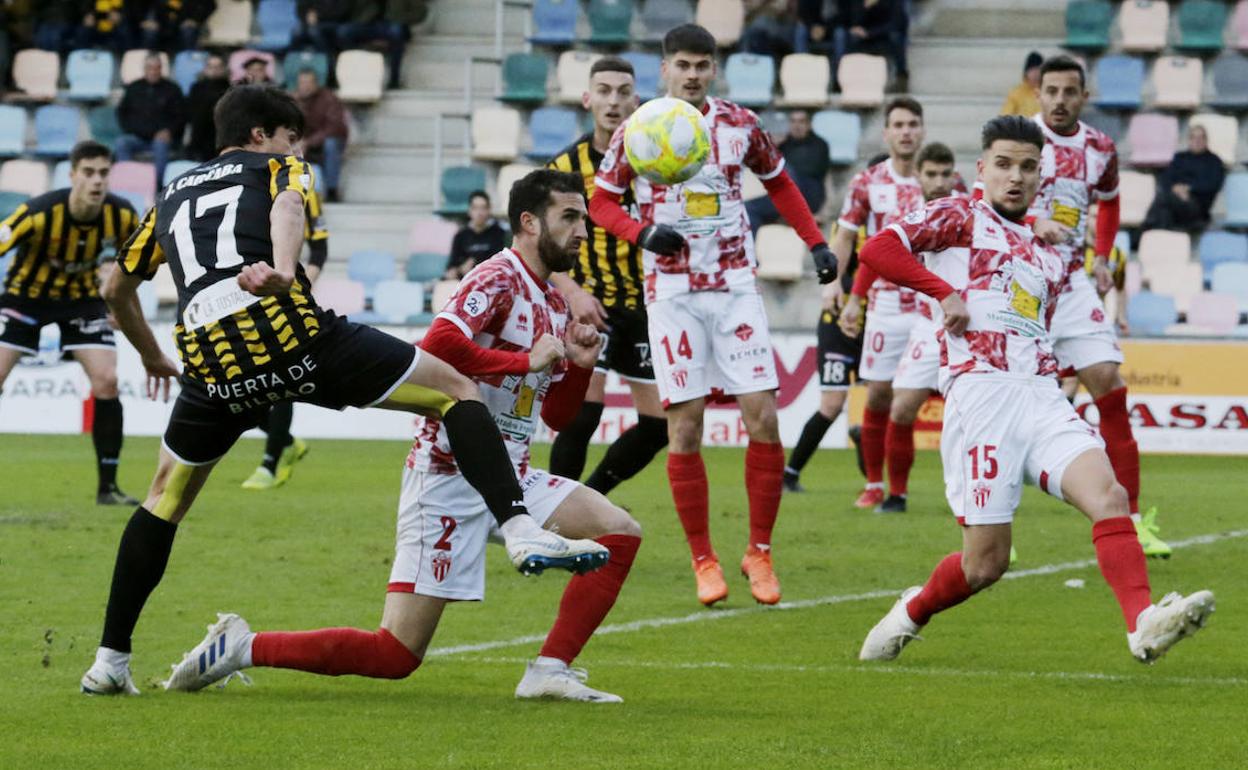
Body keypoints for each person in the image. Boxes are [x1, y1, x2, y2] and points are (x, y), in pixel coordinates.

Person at [79, 86, 611, 696]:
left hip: (211, 358)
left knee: (163, 500)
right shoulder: (280, 165)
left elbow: (118, 289)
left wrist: (153, 356)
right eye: (289, 136)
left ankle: (110, 662)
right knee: (455, 391)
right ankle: (517, 528)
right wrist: (281, 269)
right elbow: (287, 207)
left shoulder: (170, 193)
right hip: (287, 331)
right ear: (262, 135)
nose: (295, 147)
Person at [161, 169, 643, 703]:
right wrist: (523, 360)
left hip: (514, 474)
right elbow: (438, 345)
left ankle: (549, 669)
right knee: (393, 655)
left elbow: (557, 416)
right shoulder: (497, 278)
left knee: (619, 532)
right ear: (529, 223)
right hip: (447, 476)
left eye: (583, 217)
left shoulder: (552, 302)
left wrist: (578, 364)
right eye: (570, 217)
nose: (582, 231)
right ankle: (241, 645)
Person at [855, 115, 1215, 665]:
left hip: (1041, 396)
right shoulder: (958, 214)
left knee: (1110, 497)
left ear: (1041, 175)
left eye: (1027, 167)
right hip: (982, 400)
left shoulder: (1047, 251)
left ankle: (1142, 623)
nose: (1015, 176)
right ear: (981, 169)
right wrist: (943, 291)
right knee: (985, 566)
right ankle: (912, 611)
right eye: (1002, 164)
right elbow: (877, 250)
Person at [591, 24, 838, 607]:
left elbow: (782, 184)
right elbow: (599, 202)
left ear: (714, 68)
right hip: (672, 292)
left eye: (703, 64)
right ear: (664, 69)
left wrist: (815, 241)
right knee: (685, 425)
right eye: (683, 63)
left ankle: (759, 551)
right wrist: (642, 230)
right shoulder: (640, 129)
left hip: (734, 287)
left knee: (764, 420)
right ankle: (704, 558)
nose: (694, 73)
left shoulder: (740, 125)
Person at [1028, 56, 1170, 557]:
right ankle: (987, 527)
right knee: (1006, 404)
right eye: (1052, 91)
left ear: (1084, 97)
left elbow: (1108, 201)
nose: (1060, 100)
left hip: (1069, 284)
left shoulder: (1098, 147)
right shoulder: (1019, 139)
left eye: (1070, 91)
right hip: (1016, 285)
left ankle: (1131, 519)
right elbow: (984, 204)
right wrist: (1029, 221)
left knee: (1108, 384)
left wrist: (1104, 256)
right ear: (1038, 93)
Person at [546, 56, 669, 498]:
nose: (613, 101)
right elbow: (536, 240)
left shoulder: (659, 164)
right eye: (603, 91)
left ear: (637, 102)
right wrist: (572, 291)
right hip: (589, 303)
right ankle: (554, 514)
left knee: (659, 426)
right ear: (587, 99)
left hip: (647, 307)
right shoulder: (565, 167)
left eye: (622, 92)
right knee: (583, 414)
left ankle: (590, 498)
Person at [0, 141, 142, 505]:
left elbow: (137, 267)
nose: (97, 181)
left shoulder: (122, 214)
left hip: (81, 301)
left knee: (107, 381)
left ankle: (108, 488)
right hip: (24, 299)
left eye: (103, 173)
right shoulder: (38, 213)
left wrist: (124, 311)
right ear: (72, 175)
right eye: (89, 173)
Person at [833, 97, 927, 511]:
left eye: (913, 124)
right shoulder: (867, 182)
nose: (906, 131)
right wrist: (839, 287)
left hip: (930, 307)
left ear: (922, 131)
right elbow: (851, 238)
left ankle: (901, 491)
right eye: (899, 125)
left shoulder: (941, 181)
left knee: (908, 403)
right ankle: (874, 483)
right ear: (887, 132)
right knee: (878, 398)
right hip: (885, 305)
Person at [864, 141, 961, 512]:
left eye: (945, 173)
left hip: (968, 326)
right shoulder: (909, 218)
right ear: (917, 176)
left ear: (955, 174)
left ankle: (983, 492)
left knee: (974, 414)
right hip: (928, 324)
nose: (939, 181)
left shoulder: (970, 210)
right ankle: (897, 495)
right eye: (931, 174)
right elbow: (876, 255)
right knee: (901, 407)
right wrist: (857, 298)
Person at [241, 164, 330, 491]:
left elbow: (319, 248)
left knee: (283, 379)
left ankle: (269, 463)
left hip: (283, 295)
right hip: (243, 295)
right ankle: (287, 442)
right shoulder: (243, 186)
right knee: (238, 385)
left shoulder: (301, 189)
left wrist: (296, 285)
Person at [746, 109, 830, 231]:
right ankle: (750, 249)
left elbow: (810, 172)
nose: (797, 126)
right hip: (785, 197)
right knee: (750, 208)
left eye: (801, 122)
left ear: (809, 125)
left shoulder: (820, 145)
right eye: (793, 122)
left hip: (808, 196)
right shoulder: (785, 145)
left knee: (785, 169)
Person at [115, 53, 185, 193]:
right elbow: (121, 113)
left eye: (157, 68)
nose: (153, 71)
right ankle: (127, 181)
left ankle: (156, 187)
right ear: (144, 69)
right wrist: (131, 129)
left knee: (160, 145)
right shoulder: (134, 87)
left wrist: (169, 131)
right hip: (137, 136)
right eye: (150, 68)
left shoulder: (173, 89)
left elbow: (181, 116)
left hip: (161, 138)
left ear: (161, 69)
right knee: (122, 143)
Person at [1141, 124, 1226, 233]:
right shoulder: (1179, 158)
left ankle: (1140, 235)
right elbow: (1165, 179)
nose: (1197, 141)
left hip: (1197, 209)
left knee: (1163, 200)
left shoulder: (1214, 161)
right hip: (1174, 204)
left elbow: (1213, 184)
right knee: (1164, 213)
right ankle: (1155, 240)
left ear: (1206, 140)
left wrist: (1189, 189)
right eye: (1193, 137)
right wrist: (1176, 189)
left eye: (1201, 137)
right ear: (1189, 140)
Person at [293, 68, 348, 202]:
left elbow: (334, 127)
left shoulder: (329, 99)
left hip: (324, 143)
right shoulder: (292, 100)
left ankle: (332, 190)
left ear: (316, 84)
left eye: (308, 83)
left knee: (331, 144)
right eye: (302, 83)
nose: (305, 86)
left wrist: (308, 142)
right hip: (302, 144)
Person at [444, 190, 506, 279]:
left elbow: (501, 264)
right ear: (469, 210)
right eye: (475, 208)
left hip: (491, 280)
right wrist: (460, 270)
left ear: (489, 210)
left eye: (483, 208)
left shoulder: (499, 233)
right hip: (464, 282)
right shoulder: (460, 236)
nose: (479, 213)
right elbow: (450, 269)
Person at [186, 53, 230, 162]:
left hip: (223, 138)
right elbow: (190, 114)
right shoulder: (196, 88)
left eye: (218, 67)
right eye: (210, 67)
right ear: (205, 69)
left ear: (224, 69)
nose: (214, 70)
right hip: (199, 138)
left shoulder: (230, 90)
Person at [130, 0, 215, 51]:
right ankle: (147, 62)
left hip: (181, 26)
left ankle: (187, 62)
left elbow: (211, 5)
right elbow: (136, 4)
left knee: (188, 30)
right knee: (149, 32)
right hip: (160, 24)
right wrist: (142, 20)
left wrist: (196, 20)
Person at [1000, 51, 1043, 118]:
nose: (1035, 74)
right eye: (1032, 70)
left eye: (1038, 69)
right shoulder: (1017, 93)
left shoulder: (1048, 92)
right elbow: (1004, 117)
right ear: (1026, 72)